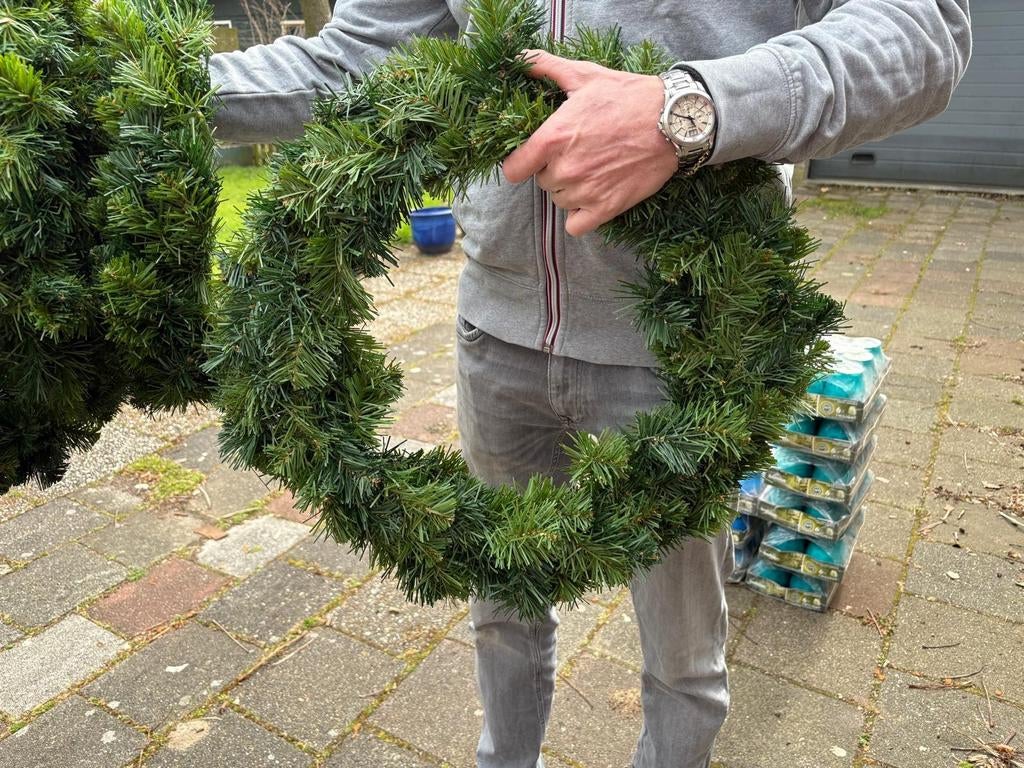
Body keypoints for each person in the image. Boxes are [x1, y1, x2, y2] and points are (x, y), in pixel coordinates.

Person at [209, 1, 970, 765]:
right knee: (502, 605)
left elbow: (922, 26)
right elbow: (354, 63)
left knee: (683, 653)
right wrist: (164, 95)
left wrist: (691, 107)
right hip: (495, 334)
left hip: (683, 352)